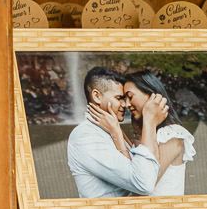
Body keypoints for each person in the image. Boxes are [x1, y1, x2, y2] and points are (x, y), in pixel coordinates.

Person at [64, 65, 194, 199]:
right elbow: (143, 182)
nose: (125, 105)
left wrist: (118, 134)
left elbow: (139, 178)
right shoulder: (86, 136)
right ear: (97, 96)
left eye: (128, 97)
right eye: (119, 98)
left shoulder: (171, 135)